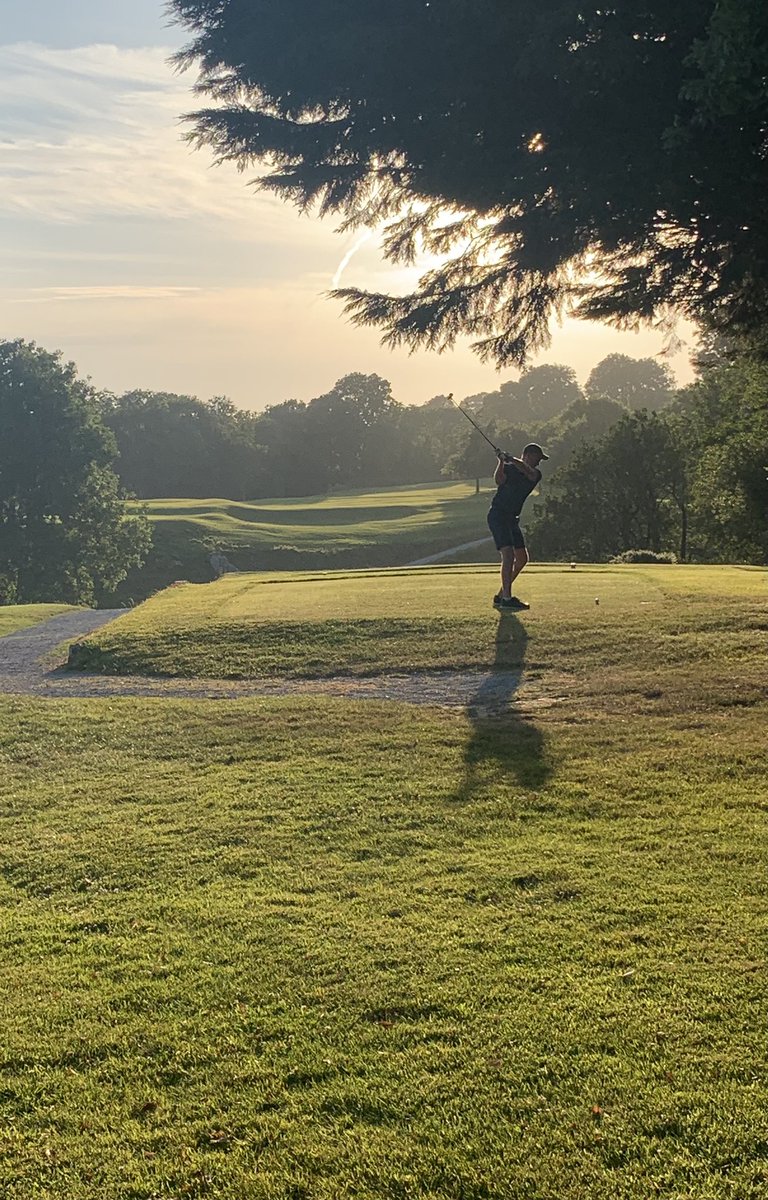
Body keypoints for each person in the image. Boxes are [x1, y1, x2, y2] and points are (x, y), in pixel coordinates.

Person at [487, 442, 548, 611]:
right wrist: (501, 462)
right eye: (537, 458)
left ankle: (501, 595)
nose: (539, 462)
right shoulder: (510, 467)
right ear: (528, 455)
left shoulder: (535, 474)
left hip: (512, 518)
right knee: (508, 555)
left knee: (522, 559)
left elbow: (529, 472)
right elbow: (499, 481)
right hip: (498, 515)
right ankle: (506, 598)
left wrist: (510, 459)